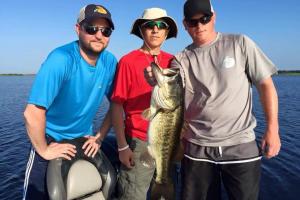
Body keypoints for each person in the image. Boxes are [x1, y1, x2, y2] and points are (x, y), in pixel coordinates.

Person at [145, 0, 281, 199]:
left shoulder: (240, 43)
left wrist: (273, 129)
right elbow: (170, 87)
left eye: (204, 19)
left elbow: (266, 85)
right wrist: (153, 77)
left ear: (213, 17)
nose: (199, 25)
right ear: (185, 24)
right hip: (196, 149)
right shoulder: (181, 59)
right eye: (193, 22)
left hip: (240, 146)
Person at [22, 4, 117, 200]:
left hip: (85, 137)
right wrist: (44, 149)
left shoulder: (109, 62)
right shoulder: (61, 59)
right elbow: (32, 113)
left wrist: (99, 136)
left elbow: (117, 103)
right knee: (35, 194)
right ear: (78, 29)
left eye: (105, 31)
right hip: (51, 138)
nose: (99, 35)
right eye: (91, 28)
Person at [110, 8, 178, 200]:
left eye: (161, 26)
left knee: (165, 191)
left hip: (169, 141)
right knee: (133, 194)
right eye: (149, 25)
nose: (155, 30)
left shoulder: (174, 62)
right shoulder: (127, 62)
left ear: (166, 32)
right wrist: (123, 146)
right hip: (139, 142)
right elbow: (116, 105)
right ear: (141, 30)